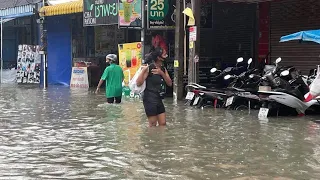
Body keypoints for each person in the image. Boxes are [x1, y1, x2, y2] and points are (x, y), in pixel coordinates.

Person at [136, 47, 172, 127]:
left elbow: (169, 83)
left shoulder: (163, 69)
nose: (166, 56)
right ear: (159, 57)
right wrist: (143, 71)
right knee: (152, 124)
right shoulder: (149, 68)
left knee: (163, 123)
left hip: (159, 98)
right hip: (149, 99)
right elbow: (138, 83)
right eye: (164, 54)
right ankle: (152, 138)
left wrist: (161, 73)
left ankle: (161, 139)